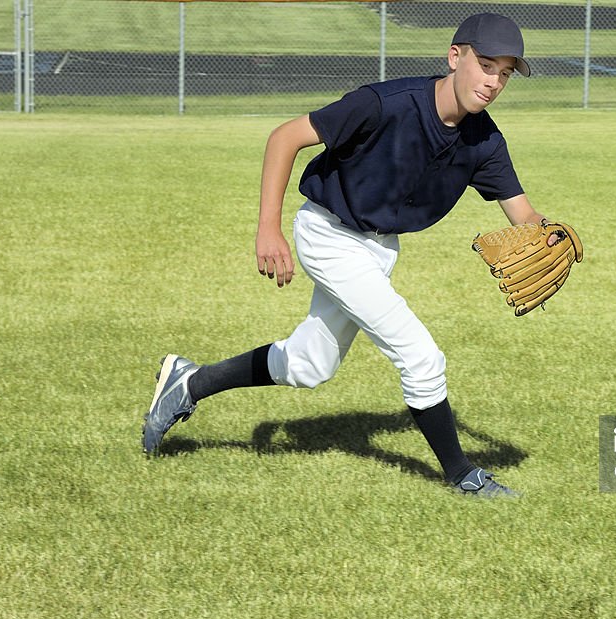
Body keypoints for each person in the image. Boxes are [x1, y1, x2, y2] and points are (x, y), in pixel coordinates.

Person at [142, 13, 544, 498]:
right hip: (329, 236)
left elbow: (523, 214)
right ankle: (463, 475)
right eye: (485, 64)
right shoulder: (384, 104)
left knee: (309, 365)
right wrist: (268, 227)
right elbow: (284, 137)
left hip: (379, 249)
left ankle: (189, 381)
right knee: (420, 357)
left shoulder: (485, 140)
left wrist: (550, 239)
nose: (493, 81)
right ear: (454, 57)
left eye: (504, 73)